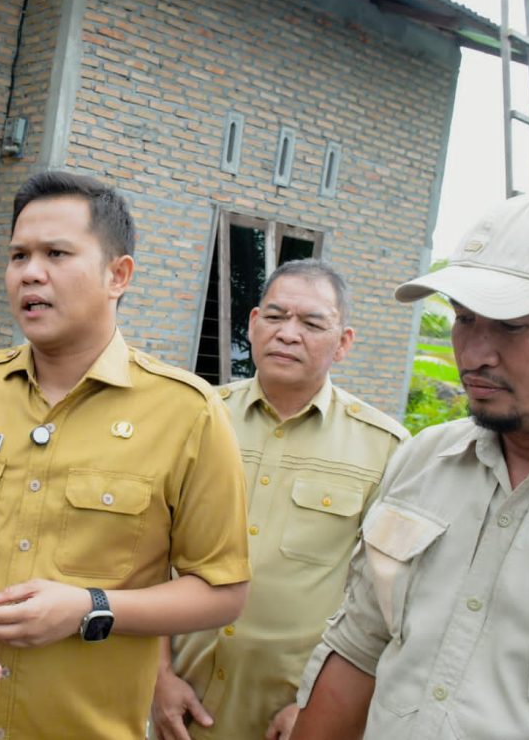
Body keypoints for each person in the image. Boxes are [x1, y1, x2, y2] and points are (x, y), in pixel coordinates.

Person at [0, 171, 251, 739]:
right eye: (19, 255)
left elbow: (222, 590)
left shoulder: (187, 412)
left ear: (118, 275)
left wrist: (91, 606)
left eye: (56, 254)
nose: (30, 273)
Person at [291, 191, 529, 739]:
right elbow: (359, 647)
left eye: (513, 326)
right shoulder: (424, 459)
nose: (474, 354)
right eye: (463, 318)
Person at [153, 260, 407, 740]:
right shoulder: (196, 418)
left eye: (312, 323)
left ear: (343, 343)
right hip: (175, 702)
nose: (288, 334)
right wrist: (157, 674)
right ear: (252, 324)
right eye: (275, 316)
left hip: (288, 715)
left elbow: (383, 601)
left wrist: (319, 707)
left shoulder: (385, 449)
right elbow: (147, 554)